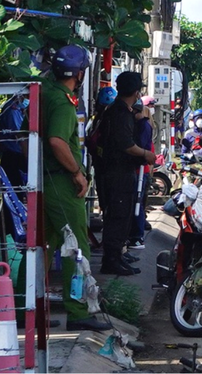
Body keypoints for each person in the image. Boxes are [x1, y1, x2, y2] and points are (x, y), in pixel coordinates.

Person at [41, 45, 110, 331]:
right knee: (77, 246)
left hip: (43, 179)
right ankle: (78, 310)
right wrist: (76, 173)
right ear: (80, 74)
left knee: (42, 246)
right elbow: (57, 141)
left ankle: (22, 307)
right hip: (60, 182)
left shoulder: (43, 95)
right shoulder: (61, 102)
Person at [94, 71, 152, 276]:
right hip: (117, 174)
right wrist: (147, 154)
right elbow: (127, 146)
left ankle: (117, 255)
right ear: (136, 93)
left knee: (122, 217)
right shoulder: (119, 114)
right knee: (117, 217)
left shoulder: (117, 111)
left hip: (116, 172)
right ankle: (111, 260)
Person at [0, 93, 30, 240]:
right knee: (12, 198)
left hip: (16, 156)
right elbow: (20, 136)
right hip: (14, 157)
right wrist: (29, 158)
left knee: (17, 196)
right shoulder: (13, 109)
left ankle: (9, 233)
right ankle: (7, 234)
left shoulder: (18, 108)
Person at [127, 96, 156, 250]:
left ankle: (136, 237)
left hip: (139, 170)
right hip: (138, 170)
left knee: (137, 204)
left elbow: (142, 148)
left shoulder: (142, 126)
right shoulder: (141, 124)